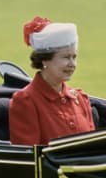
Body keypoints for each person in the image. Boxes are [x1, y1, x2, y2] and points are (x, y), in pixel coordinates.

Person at [9, 16, 95, 145]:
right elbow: (28, 156)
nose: (72, 64)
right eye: (66, 57)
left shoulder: (81, 99)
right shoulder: (26, 101)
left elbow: (92, 150)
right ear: (44, 60)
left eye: (74, 57)